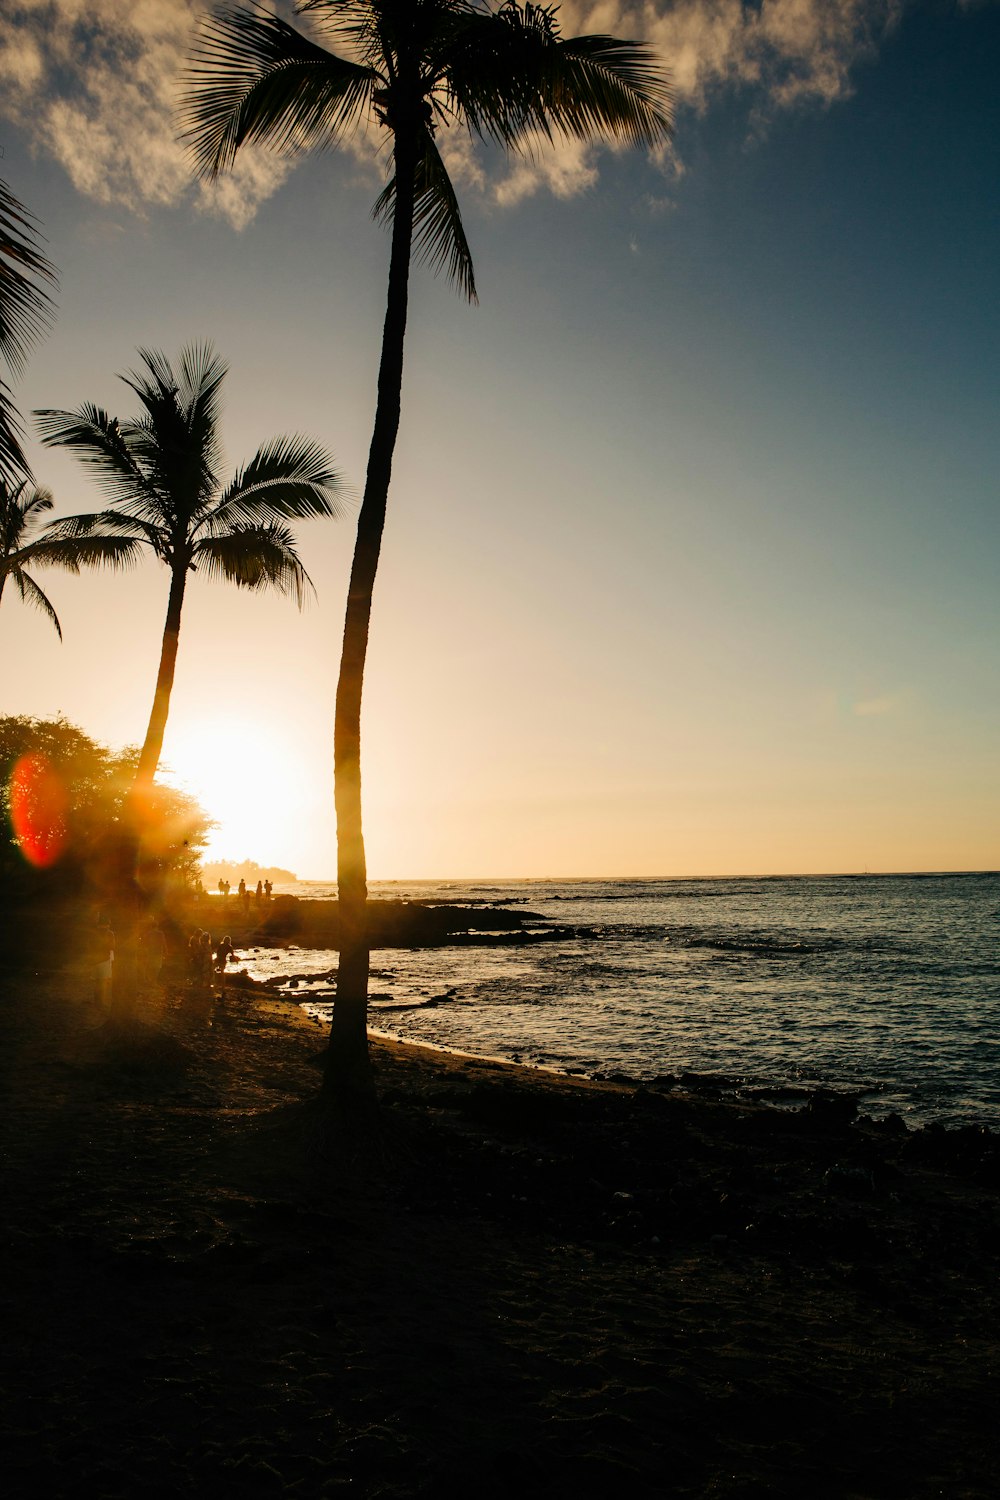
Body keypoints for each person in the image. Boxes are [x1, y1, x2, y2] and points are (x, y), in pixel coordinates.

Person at [92, 913, 115, 1006]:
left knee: (97, 981)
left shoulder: (94, 932)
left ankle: (96, 1001)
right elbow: (112, 946)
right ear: (108, 923)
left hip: (94, 959)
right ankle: (101, 1002)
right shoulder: (110, 933)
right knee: (103, 982)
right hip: (104, 958)